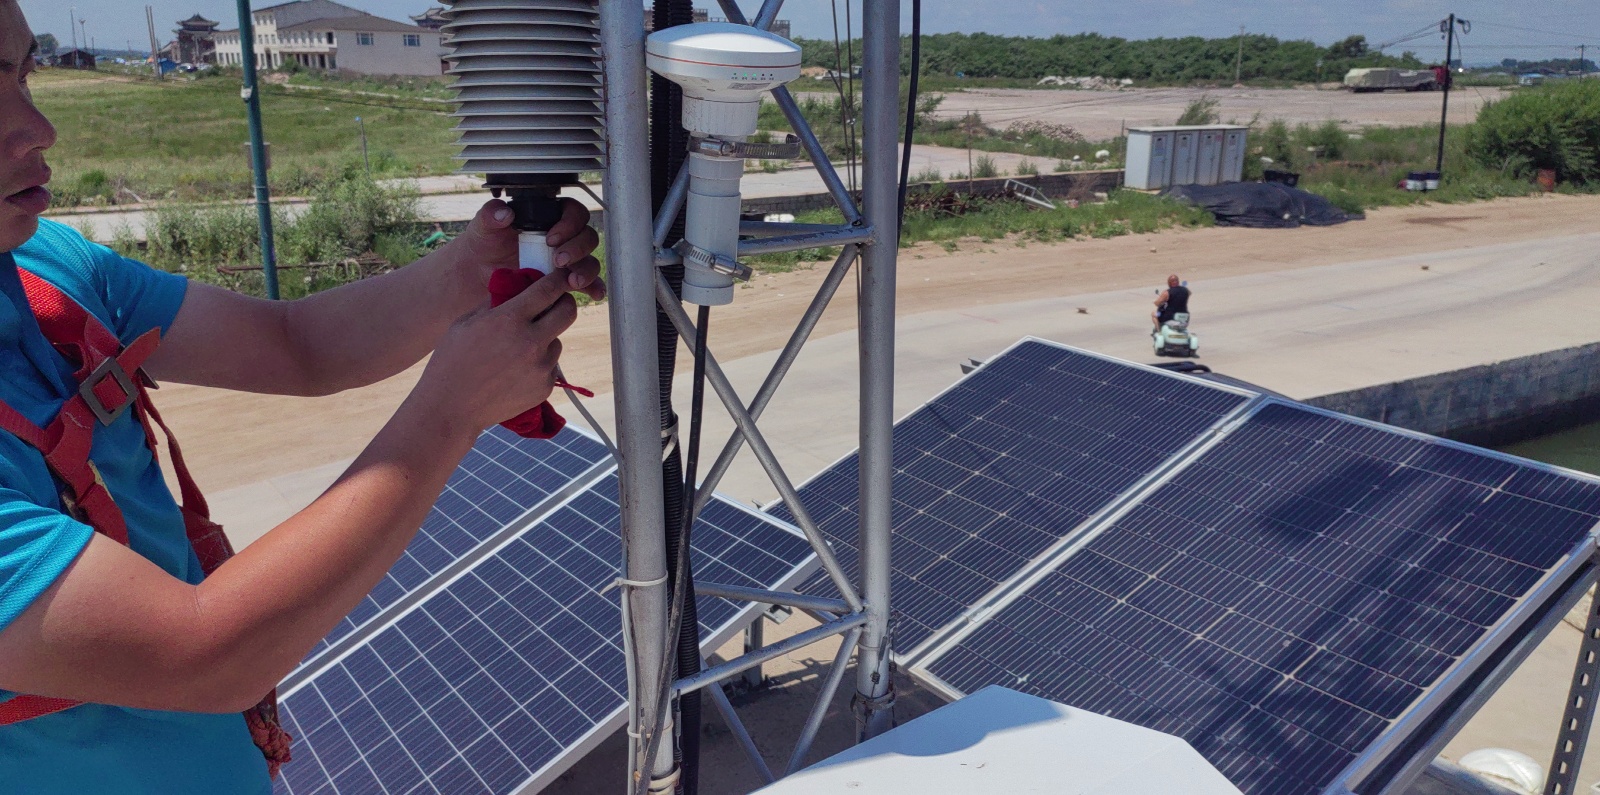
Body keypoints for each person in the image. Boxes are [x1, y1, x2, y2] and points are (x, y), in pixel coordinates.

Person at [0, 5, 603, 792]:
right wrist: (450, 410)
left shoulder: (46, 267)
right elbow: (207, 653)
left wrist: (466, 268)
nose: (37, 127)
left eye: (23, 74)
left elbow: (299, 345)